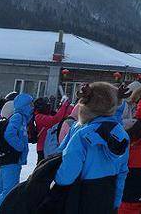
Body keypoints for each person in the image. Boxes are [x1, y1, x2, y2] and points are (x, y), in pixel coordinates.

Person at [40, 82, 129, 214]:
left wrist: (56, 185)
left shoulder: (80, 132)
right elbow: (122, 172)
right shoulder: (121, 134)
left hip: (79, 194)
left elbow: (68, 166)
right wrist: (115, 202)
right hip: (107, 193)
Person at [0, 93, 33, 209]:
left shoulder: (20, 117)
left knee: (2, 188)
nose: (32, 107)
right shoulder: (18, 117)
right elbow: (9, 134)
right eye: (30, 104)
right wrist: (20, 147)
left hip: (7, 158)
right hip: (11, 159)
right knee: (9, 191)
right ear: (24, 105)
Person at [34, 96, 72, 162]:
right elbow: (55, 120)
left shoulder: (48, 114)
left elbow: (60, 116)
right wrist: (64, 106)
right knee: (42, 166)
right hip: (42, 147)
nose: (49, 107)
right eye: (47, 105)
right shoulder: (39, 117)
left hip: (51, 145)